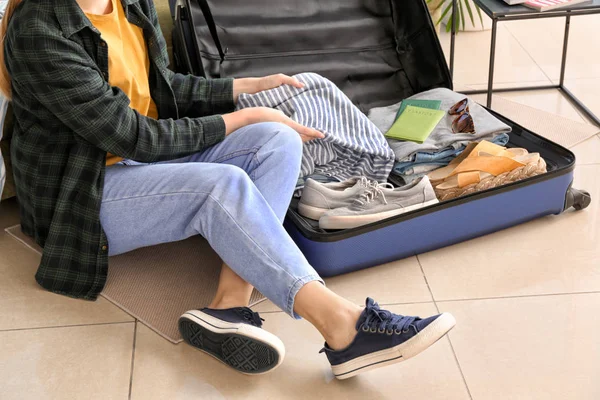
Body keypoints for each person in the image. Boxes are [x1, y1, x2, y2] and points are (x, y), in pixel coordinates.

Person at [0, 0, 456, 379]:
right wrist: (242, 117)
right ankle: (343, 326)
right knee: (223, 183)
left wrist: (245, 88)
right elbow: (131, 136)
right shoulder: (39, 28)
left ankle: (229, 304)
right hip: (81, 192)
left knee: (278, 140)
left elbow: (162, 86)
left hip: (143, 160)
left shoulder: (126, 3)